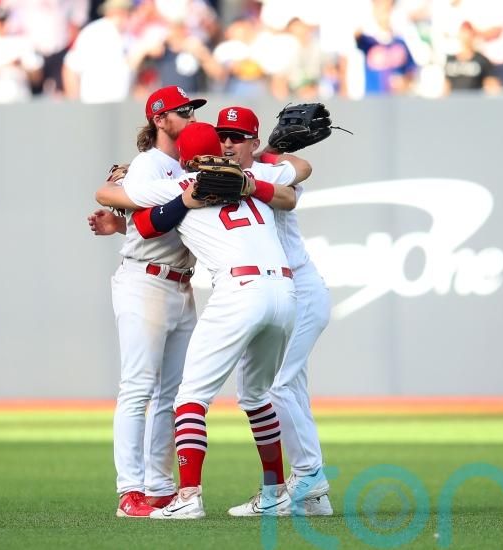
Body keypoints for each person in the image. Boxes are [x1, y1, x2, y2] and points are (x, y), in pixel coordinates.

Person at [96, 122, 299, 519]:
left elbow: (138, 217)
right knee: (256, 396)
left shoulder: (182, 183)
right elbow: (294, 183)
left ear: (184, 158)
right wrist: (261, 169)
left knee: (189, 397)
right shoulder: (252, 177)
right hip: (284, 291)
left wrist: (127, 178)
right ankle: (275, 491)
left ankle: (188, 497)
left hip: (240, 289)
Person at [90, 85, 206, 518]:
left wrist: (121, 224)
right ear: (159, 119)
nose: (191, 116)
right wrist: (115, 194)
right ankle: (130, 491)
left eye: (192, 110)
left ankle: (158, 486)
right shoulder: (149, 163)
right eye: (183, 111)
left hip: (181, 283)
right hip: (145, 280)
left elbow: (155, 222)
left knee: (172, 393)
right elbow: (134, 201)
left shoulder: (185, 164)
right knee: (138, 387)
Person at [212, 106, 333, 517]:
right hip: (280, 293)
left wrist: (266, 154)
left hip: (300, 288)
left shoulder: (271, 170)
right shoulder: (216, 173)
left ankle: (309, 475)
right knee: (290, 388)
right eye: (222, 135)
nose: (228, 143)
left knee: (275, 386)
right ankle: (313, 498)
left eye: (237, 136)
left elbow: (301, 172)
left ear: (252, 140)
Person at [444, 21, 501, 93]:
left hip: (474, 99)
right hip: (454, 99)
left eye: (468, 33)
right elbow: (446, 85)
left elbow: (492, 85)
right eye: (463, 32)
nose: (466, 36)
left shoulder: (482, 60)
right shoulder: (450, 60)